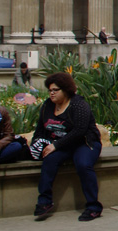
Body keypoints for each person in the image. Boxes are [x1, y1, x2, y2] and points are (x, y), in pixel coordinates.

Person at [29, 72, 103, 222]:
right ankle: (45, 202)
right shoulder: (48, 105)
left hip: (85, 143)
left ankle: (93, 207)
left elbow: (80, 131)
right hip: (62, 145)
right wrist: (37, 145)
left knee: (83, 164)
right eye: (50, 90)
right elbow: (40, 129)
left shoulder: (78, 104)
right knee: (49, 160)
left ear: (66, 90)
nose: (52, 93)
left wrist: (55, 145)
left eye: (55, 90)